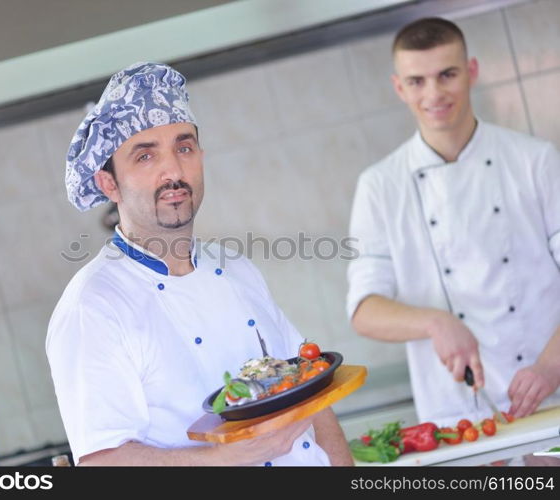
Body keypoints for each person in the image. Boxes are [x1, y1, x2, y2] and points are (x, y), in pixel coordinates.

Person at [46, 62, 353, 466]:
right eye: (145, 156)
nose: (173, 170)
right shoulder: (94, 305)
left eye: (184, 147)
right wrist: (231, 456)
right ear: (109, 184)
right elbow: (103, 462)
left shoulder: (237, 268)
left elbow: (311, 390)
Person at [347, 17, 560, 426]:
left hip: (552, 399)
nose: (434, 93)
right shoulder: (379, 185)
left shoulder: (535, 161)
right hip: (459, 419)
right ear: (399, 87)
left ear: (472, 71)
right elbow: (364, 309)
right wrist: (434, 321)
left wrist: (550, 368)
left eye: (447, 74)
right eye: (417, 81)